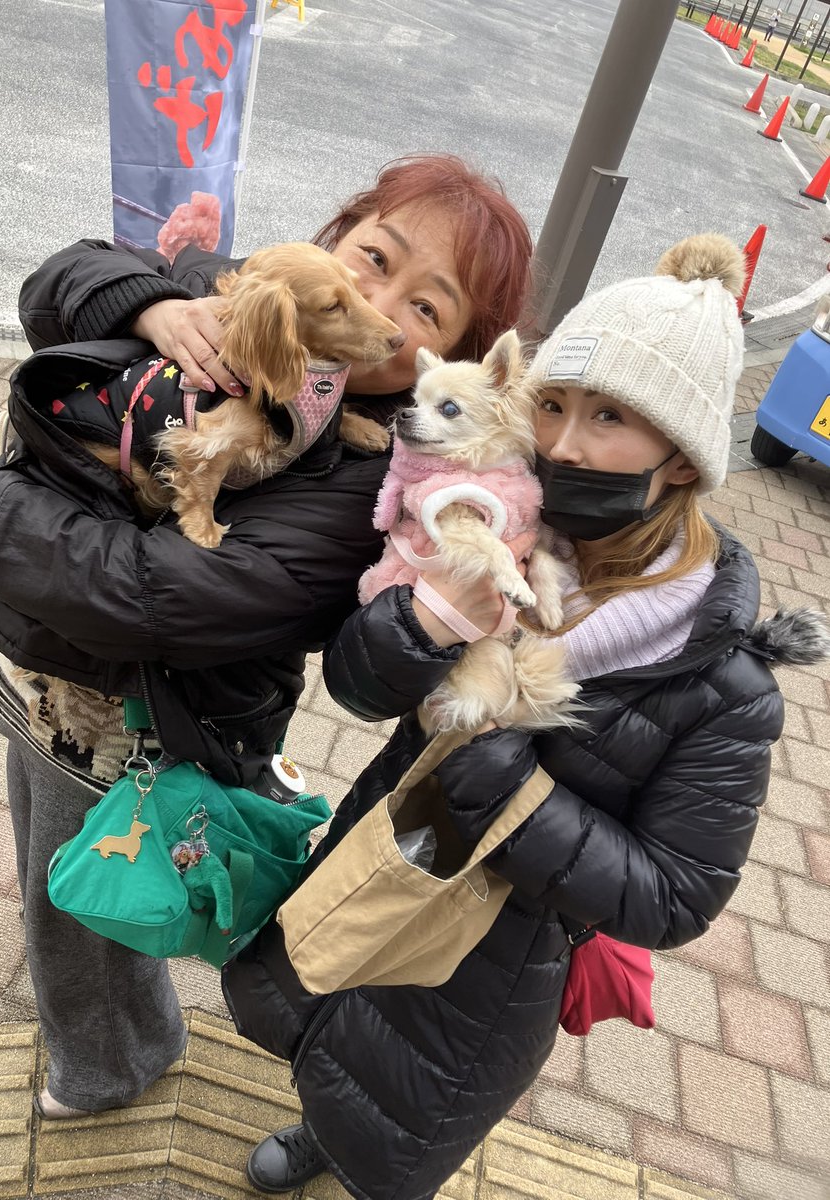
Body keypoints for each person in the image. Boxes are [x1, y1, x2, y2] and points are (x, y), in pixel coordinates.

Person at [220, 233, 829, 1200]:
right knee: (332, 1021)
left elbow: (676, 896)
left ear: (679, 458)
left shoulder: (723, 686)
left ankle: (355, 1157)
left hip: (492, 972)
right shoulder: (498, 524)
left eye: (612, 417)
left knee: (401, 1112)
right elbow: (357, 685)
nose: (564, 443)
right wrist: (419, 626)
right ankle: (318, 1130)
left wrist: (508, 785)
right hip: (392, 847)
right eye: (553, 405)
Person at [0, 154, 533, 1119]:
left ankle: (112, 1063)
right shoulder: (262, 297)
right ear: (336, 239)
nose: (377, 305)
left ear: (453, 354)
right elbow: (53, 289)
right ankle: (109, 1010)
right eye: (375, 255)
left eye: (429, 309)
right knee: (46, 848)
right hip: (39, 666)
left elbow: (153, 597)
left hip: (132, 712)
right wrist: (145, 306)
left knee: (78, 897)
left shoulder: (363, 482)